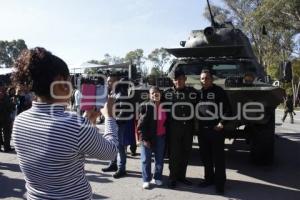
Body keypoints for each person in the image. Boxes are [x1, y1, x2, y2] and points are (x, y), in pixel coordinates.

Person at [12, 47, 118, 200]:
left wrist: (87, 123)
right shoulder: (75, 124)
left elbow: (53, 151)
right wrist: (109, 117)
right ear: (61, 83)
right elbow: (110, 152)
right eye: (70, 80)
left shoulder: (20, 120)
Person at [197, 69, 231, 195]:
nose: (204, 80)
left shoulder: (219, 91)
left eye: (206, 78)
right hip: (202, 130)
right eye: (202, 78)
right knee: (206, 158)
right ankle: (208, 179)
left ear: (212, 79)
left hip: (215, 130)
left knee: (218, 159)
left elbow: (228, 110)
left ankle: (220, 184)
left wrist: (221, 123)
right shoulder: (199, 93)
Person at [163, 68, 198, 188]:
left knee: (186, 153)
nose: (179, 81)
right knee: (174, 154)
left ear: (185, 79)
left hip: (188, 128)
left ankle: (182, 176)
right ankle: (172, 177)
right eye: (176, 79)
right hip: (173, 128)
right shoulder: (167, 93)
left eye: (181, 79)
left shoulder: (193, 92)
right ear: (173, 81)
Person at [101, 75, 134, 179]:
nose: (108, 83)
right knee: (113, 144)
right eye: (108, 81)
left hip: (119, 123)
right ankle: (113, 164)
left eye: (110, 81)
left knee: (119, 146)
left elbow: (124, 111)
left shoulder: (121, 93)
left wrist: (115, 120)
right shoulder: (113, 92)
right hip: (114, 122)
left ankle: (121, 168)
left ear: (116, 82)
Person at [137, 86, 167, 189]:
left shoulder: (165, 106)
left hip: (161, 136)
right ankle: (146, 179)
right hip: (148, 137)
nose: (155, 95)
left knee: (159, 159)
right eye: (152, 93)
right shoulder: (145, 106)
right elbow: (141, 125)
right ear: (150, 95)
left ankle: (157, 177)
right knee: (146, 159)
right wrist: (144, 139)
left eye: (156, 92)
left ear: (160, 94)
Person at [0, 84, 15, 152]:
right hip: (5, 117)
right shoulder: (6, 96)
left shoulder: (6, 96)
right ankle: (7, 147)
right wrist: (13, 104)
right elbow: (10, 107)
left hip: (4, 116)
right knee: (7, 133)